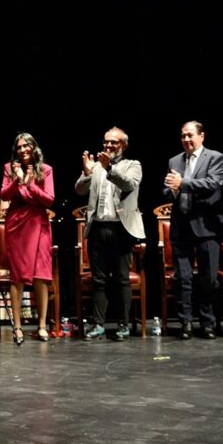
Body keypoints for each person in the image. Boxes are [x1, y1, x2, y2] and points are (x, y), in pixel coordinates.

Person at [74, 126, 144, 341]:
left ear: (124, 145)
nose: (109, 145)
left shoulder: (133, 165)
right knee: (99, 280)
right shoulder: (95, 166)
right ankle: (98, 324)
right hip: (97, 228)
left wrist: (109, 167)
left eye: (114, 142)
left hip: (121, 229)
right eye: (106, 142)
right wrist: (87, 173)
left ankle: (123, 325)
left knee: (122, 279)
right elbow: (79, 189)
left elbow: (129, 183)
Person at [163, 121, 223, 340]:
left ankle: (208, 322)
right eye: (183, 136)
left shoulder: (215, 158)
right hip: (182, 227)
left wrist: (183, 183)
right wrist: (170, 189)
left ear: (202, 136)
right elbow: (169, 188)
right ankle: (186, 322)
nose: (186, 140)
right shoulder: (175, 160)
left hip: (207, 226)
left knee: (209, 278)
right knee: (184, 279)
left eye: (190, 135)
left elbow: (212, 184)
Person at [0, 133, 55, 344]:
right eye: (19, 147)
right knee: (18, 276)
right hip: (17, 224)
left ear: (34, 148)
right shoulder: (8, 168)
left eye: (27, 146)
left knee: (41, 274)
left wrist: (28, 185)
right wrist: (17, 180)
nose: (23, 150)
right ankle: (18, 327)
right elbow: (4, 195)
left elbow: (49, 199)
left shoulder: (46, 170)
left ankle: (41, 325)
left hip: (38, 223)